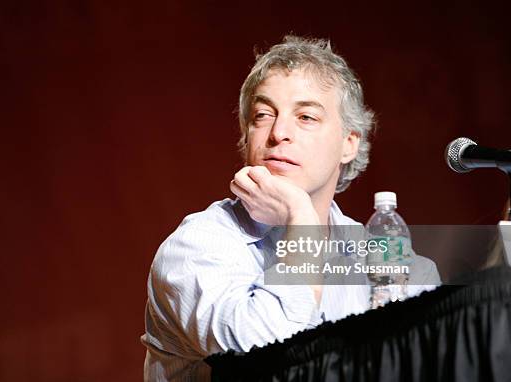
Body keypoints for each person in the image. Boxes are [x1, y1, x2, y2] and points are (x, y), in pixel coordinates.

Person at [140, 35, 440, 381]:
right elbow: (272, 353)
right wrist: (301, 218)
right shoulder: (197, 246)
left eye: (306, 117)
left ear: (349, 144)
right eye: (263, 115)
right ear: (246, 134)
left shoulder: (386, 256)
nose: (279, 132)